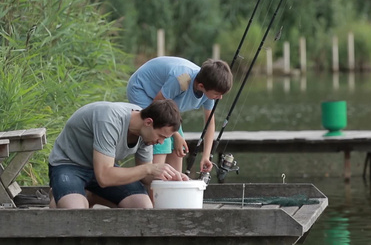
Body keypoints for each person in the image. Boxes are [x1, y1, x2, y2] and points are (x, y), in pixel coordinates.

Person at [48, 99, 189, 209]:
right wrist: (149, 168)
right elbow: (104, 177)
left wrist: (170, 177)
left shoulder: (146, 134)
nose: (160, 142)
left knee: (142, 206)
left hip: (101, 167)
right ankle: (61, 194)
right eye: (161, 136)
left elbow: (145, 176)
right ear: (148, 122)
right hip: (69, 164)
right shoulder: (109, 119)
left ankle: (90, 195)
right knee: (75, 210)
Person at [127, 56, 233, 176]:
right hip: (142, 89)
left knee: (179, 148)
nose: (220, 97)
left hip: (165, 103)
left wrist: (206, 156)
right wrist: (175, 135)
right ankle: (152, 185)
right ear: (201, 86)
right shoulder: (182, 80)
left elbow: (210, 123)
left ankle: (174, 183)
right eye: (217, 94)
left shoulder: (210, 88)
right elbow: (158, 105)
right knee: (163, 137)